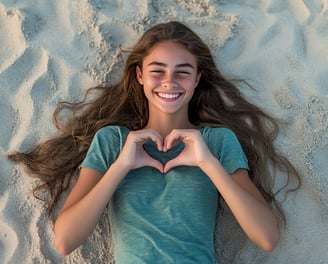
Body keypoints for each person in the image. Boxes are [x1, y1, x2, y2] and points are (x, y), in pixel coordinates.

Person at [8, 21, 300, 263]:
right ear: (140, 75)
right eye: (157, 70)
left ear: (197, 79)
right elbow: (66, 240)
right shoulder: (112, 141)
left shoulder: (217, 141)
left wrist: (208, 163)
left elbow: (267, 237)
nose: (169, 82)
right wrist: (122, 165)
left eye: (182, 72)